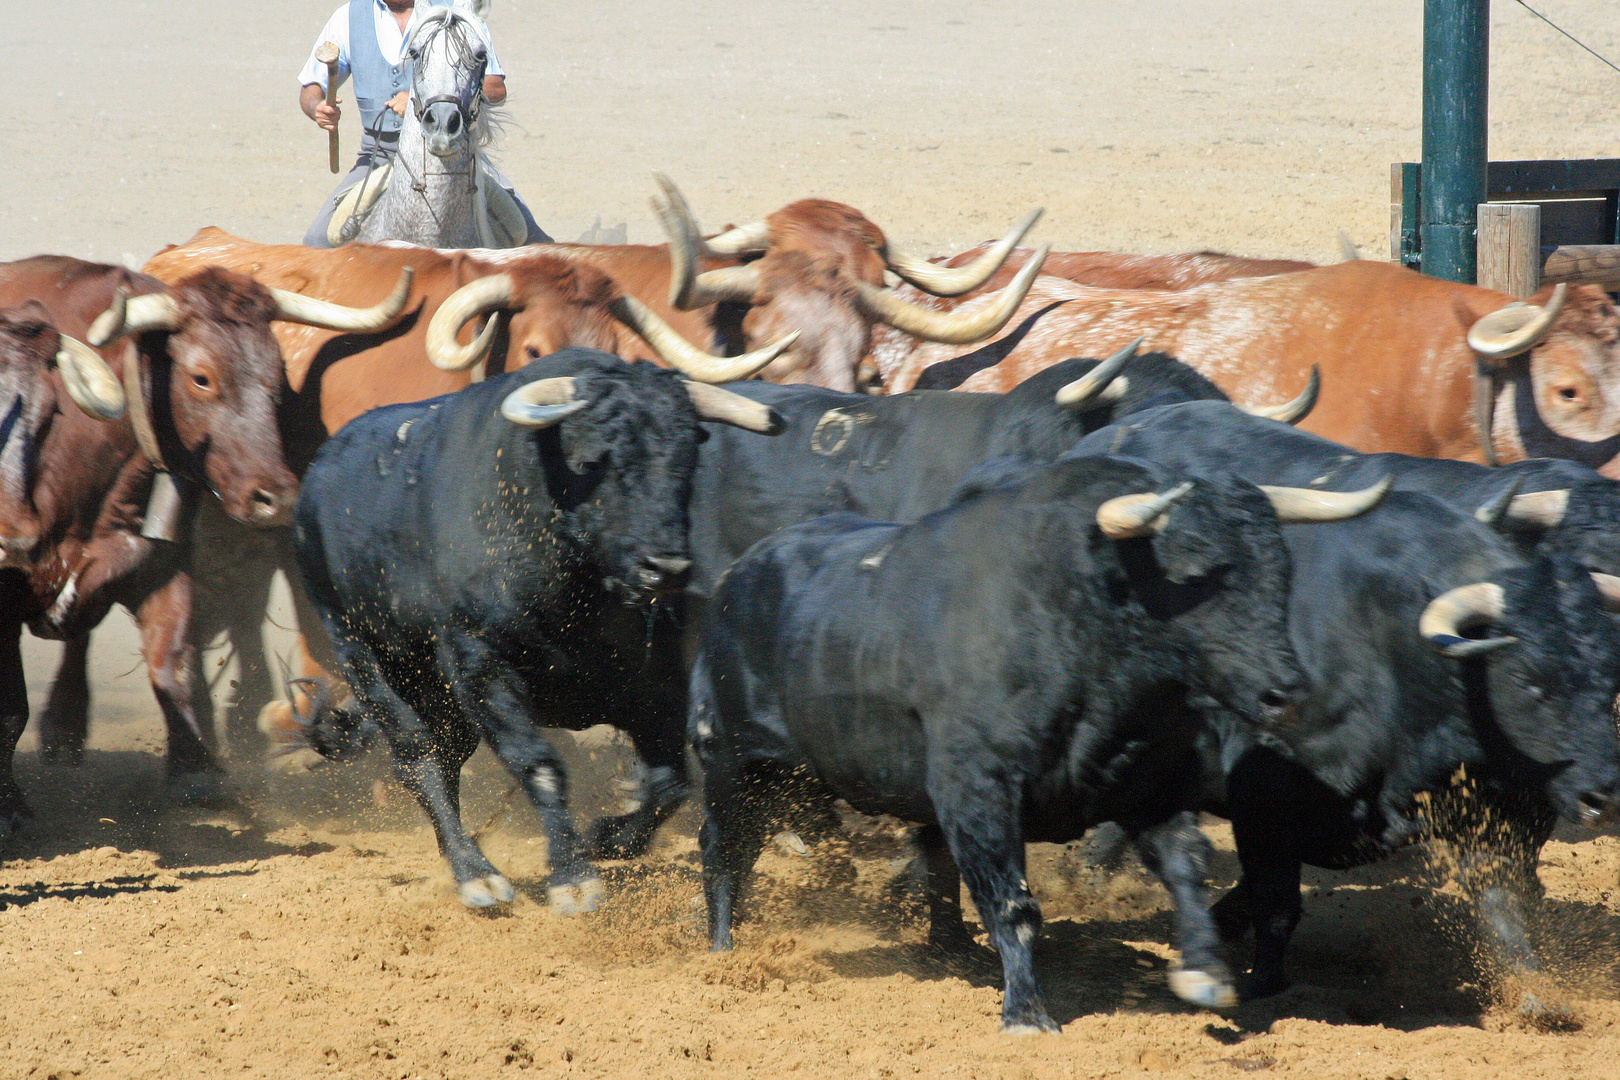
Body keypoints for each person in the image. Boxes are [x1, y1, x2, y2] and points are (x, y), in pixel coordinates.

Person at [297, 0, 549, 246]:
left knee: (536, 241)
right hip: (379, 155)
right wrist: (317, 108)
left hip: (455, 152)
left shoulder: (457, 10)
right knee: (318, 240)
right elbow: (311, 88)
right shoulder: (348, 17)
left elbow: (494, 88)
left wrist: (420, 99)